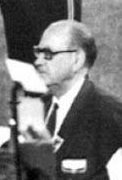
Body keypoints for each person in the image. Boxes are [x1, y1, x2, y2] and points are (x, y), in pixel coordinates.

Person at [30, 20, 122, 179]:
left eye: (48, 54)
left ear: (77, 60)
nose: (38, 62)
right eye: (38, 53)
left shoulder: (108, 114)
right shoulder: (36, 107)